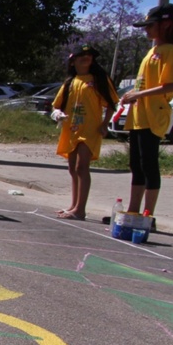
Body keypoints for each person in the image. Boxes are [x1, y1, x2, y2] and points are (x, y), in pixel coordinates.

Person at [119, 3, 173, 222]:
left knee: (149, 164)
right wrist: (131, 94)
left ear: (166, 24)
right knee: (136, 164)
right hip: (139, 115)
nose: (146, 30)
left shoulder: (170, 50)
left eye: (150, 26)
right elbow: (144, 84)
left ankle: (148, 216)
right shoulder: (152, 51)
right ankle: (132, 210)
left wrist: (138, 95)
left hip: (154, 114)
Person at [49, 44, 118, 220]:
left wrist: (105, 123)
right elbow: (56, 105)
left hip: (90, 129)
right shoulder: (70, 82)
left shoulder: (98, 79)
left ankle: (80, 209)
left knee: (82, 166)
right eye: (82, 55)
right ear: (73, 61)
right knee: (72, 167)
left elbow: (110, 104)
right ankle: (73, 205)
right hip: (71, 128)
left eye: (89, 55)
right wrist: (57, 114)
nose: (86, 58)